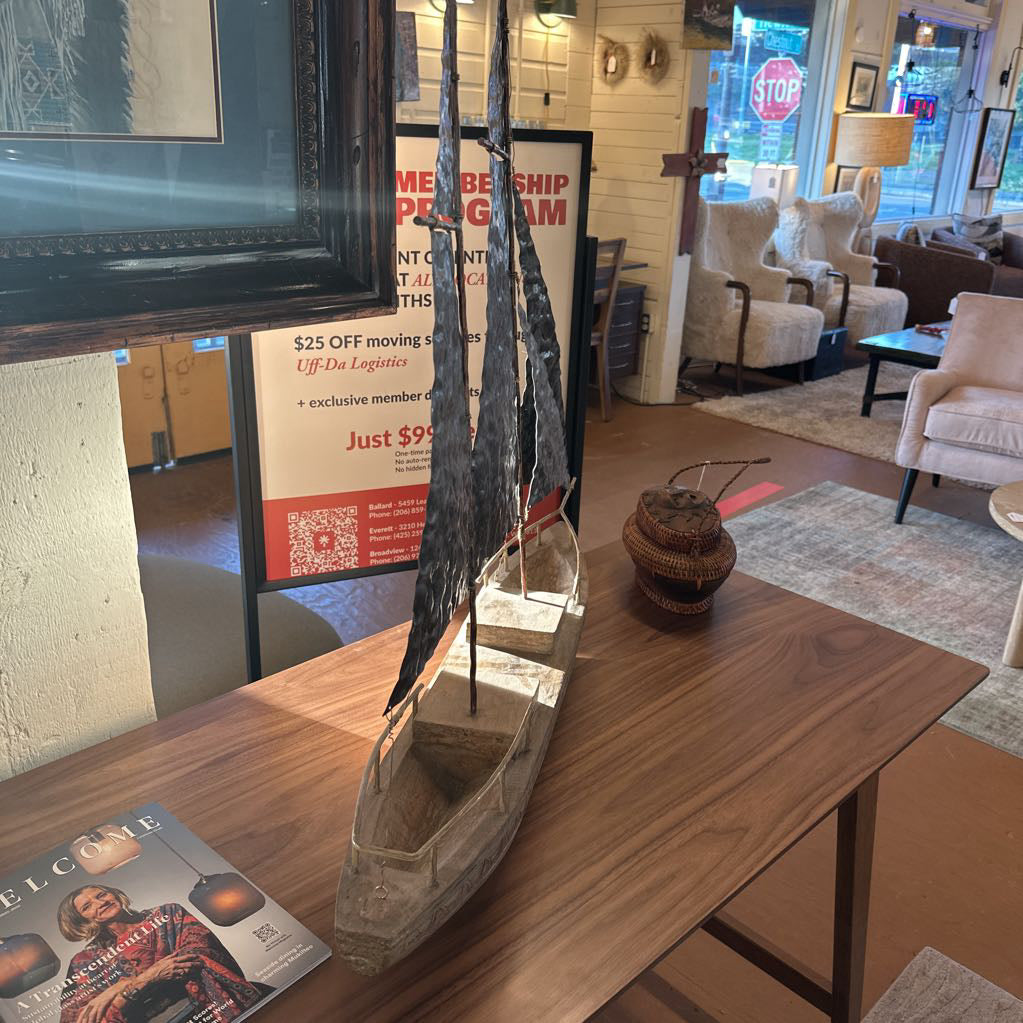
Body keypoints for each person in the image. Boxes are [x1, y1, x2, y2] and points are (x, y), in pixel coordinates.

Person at [57, 885, 271, 1023]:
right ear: (81, 921)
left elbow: (196, 952)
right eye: (87, 906)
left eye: (101, 895)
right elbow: (82, 1018)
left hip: (210, 1007)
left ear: (114, 894)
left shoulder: (167, 913)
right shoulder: (85, 960)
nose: (101, 902)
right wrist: (142, 980)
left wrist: (117, 991)